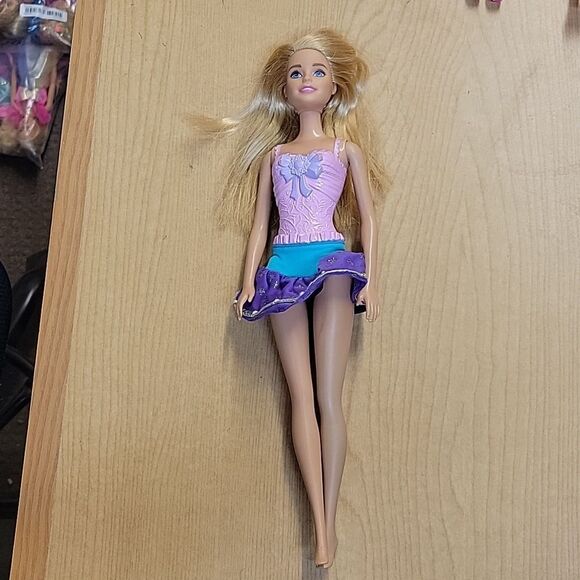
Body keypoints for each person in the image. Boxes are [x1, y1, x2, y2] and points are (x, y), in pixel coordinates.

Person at [190, 28, 390, 568]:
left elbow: (368, 219)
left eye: (317, 72)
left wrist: (372, 277)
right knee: (300, 395)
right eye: (297, 73)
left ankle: (328, 520)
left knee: (328, 395)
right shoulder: (274, 157)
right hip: (281, 266)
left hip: (330, 262)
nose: (306, 80)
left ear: (334, 87)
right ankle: (320, 525)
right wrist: (248, 279)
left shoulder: (345, 151)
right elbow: (261, 224)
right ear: (284, 88)